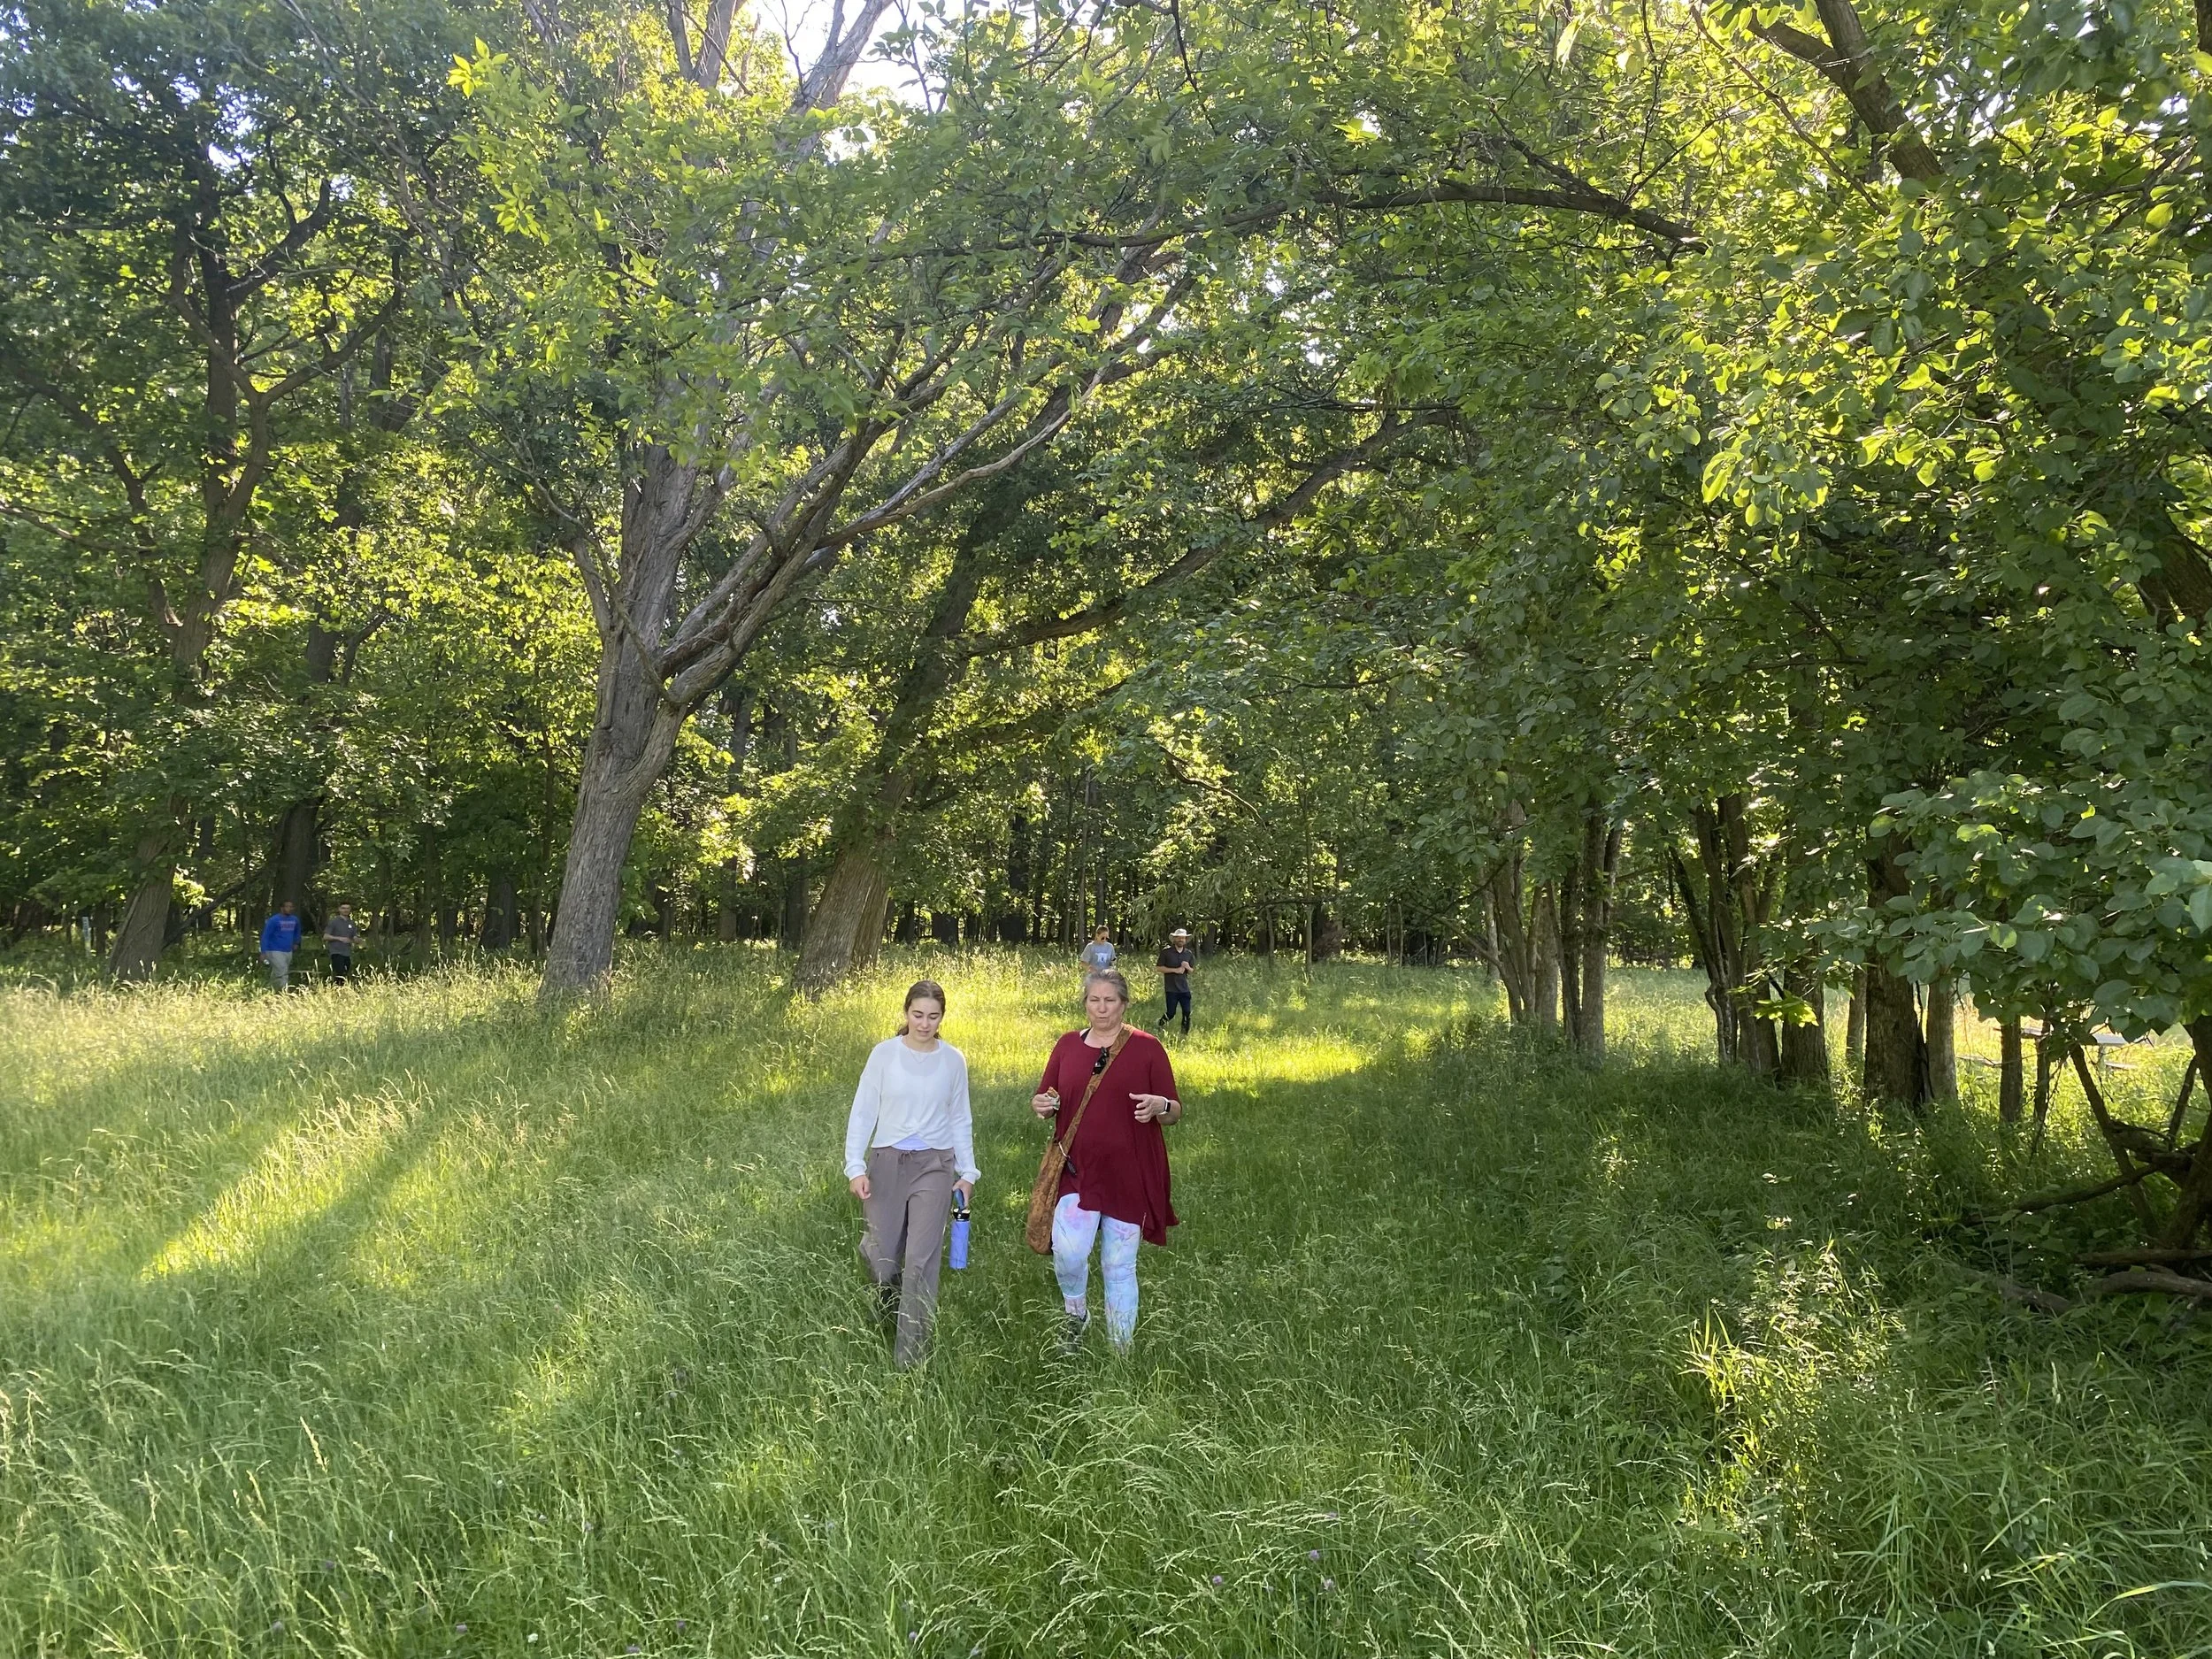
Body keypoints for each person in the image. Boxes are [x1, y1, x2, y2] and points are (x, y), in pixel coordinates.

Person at [1030, 969, 1182, 1353]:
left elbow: (1174, 1109)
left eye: (1109, 1001)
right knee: (1069, 1253)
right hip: (1076, 1171)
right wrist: (1043, 1105)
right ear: (1085, 1003)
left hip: (1129, 1175)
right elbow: (1045, 1098)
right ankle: (1076, 1314)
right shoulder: (1066, 1045)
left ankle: (1120, 1352)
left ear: (1124, 1004)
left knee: (1118, 1266)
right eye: (1093, 1000)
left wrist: (1160, 1106)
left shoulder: (1148, 1048)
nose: (1101, 1008)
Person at [843, 979, 979, 1367]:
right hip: (887, 1161)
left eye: (933, 1017)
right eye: (917, 1015)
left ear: (942, 1018)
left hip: (935, 1166)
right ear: (906, 1013)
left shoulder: (953, 1060)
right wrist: (855, 1166)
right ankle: (889, 1297)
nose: (924, 1023)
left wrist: (967, 1172)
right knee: (883, 1258)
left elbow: (959, 1118)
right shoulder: (883, 1055)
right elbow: (863, 1111)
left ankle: (910, 1357)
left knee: (922, 1259)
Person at [1156, 926, 1194, 1036]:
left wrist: (1188, 967)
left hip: (1184, 988)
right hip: (1171, 988)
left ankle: (1184, 1033)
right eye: (1179, 938)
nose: (1181, 940)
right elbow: (1159, 968)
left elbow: (1192, 971)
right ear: (1174, 939)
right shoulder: (1166, 952)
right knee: (1171, 1013)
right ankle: (1160, 1023)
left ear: (1185, 940)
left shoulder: (1188, 954)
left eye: (1183, 938)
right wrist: (1175, 970)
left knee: (1187, 1012)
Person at [258, 901, 303, 992]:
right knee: (283, 970)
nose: (289, 909)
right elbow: (266, 936)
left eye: (291, 907)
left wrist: (296, 942)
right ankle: (284, 992)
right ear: (282, 908)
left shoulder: (294, 920)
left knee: (277, 972)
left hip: (288, 950)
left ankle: (272, 989)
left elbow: (297, 932)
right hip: (274, 950)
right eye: (287, 907)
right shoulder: (274, 920)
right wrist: (263, 952)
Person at [323, 902, 360, 985]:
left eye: (347, 908)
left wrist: (357, 940)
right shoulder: (334, 922)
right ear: (339, 909)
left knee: (345, 973)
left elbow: (354, 936)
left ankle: (341, 990)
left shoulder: (351, 923)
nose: (345, 910)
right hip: (336, 951)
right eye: (343, 908)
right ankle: (337, 990)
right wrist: (339, 938)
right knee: (340, 972)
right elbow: (325, 937)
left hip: (347, 952)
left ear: (350, 910)